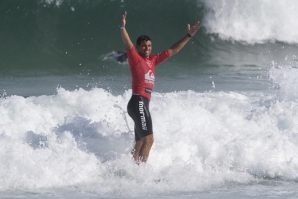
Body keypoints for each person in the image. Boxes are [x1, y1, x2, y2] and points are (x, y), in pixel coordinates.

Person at [120, 11, 201, 163]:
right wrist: (122, 27)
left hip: (141, 104)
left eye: (149, 46)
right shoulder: (135, 58)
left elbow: (174, 49)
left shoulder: (153, 60)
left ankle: (131, 171)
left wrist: (189, 36)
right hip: (138, 102)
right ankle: (141, 174)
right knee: (149, 140)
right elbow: (128, 43)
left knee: (139, 142)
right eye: (144, 46)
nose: (147, 48)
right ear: (138, 48)